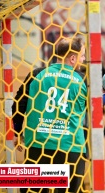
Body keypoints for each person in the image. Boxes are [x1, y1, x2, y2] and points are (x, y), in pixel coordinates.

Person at [12, 37, 87, 193]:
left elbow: (18, 105)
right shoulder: (81, 79)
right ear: (72, 58)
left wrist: (18, 133)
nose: (84, 60)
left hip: (39, 145)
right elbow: (94, 107)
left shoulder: (37, 74)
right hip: (70, 146)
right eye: (82, 56)